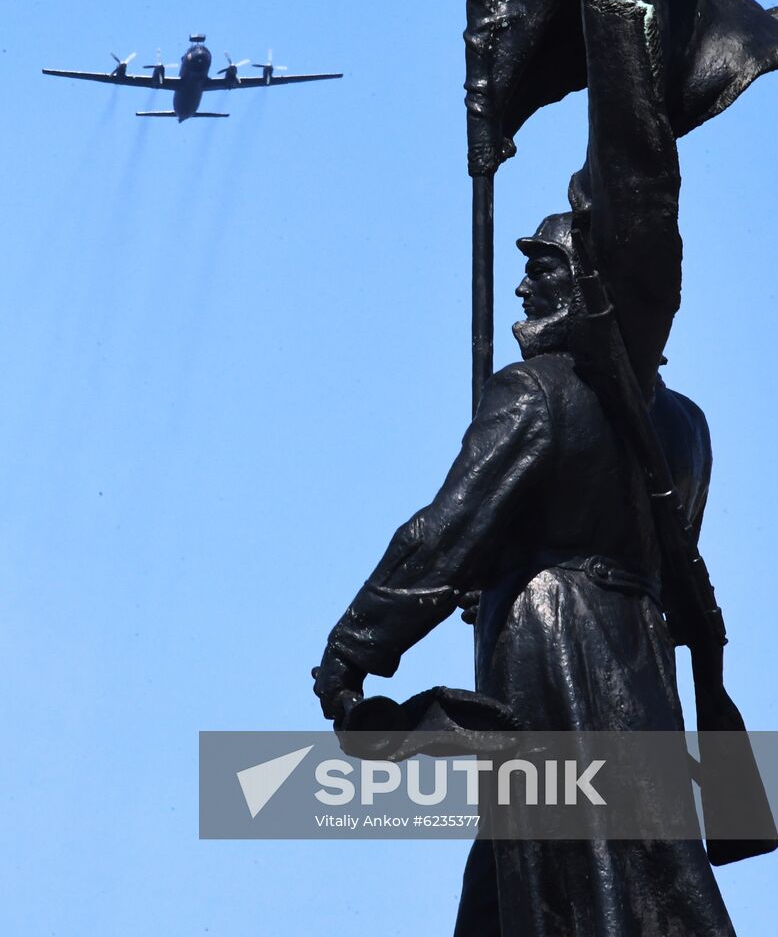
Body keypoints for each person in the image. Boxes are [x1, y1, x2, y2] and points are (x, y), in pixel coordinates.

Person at [313, 212, 735, 935]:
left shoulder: (533, 391)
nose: (522, 288)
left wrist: (354, 647)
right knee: (591, 855)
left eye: (544, 271)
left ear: (590, 284)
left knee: (554, 855)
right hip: (640, 657)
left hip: (553, 644)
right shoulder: (684, 423)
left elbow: (443, 534)